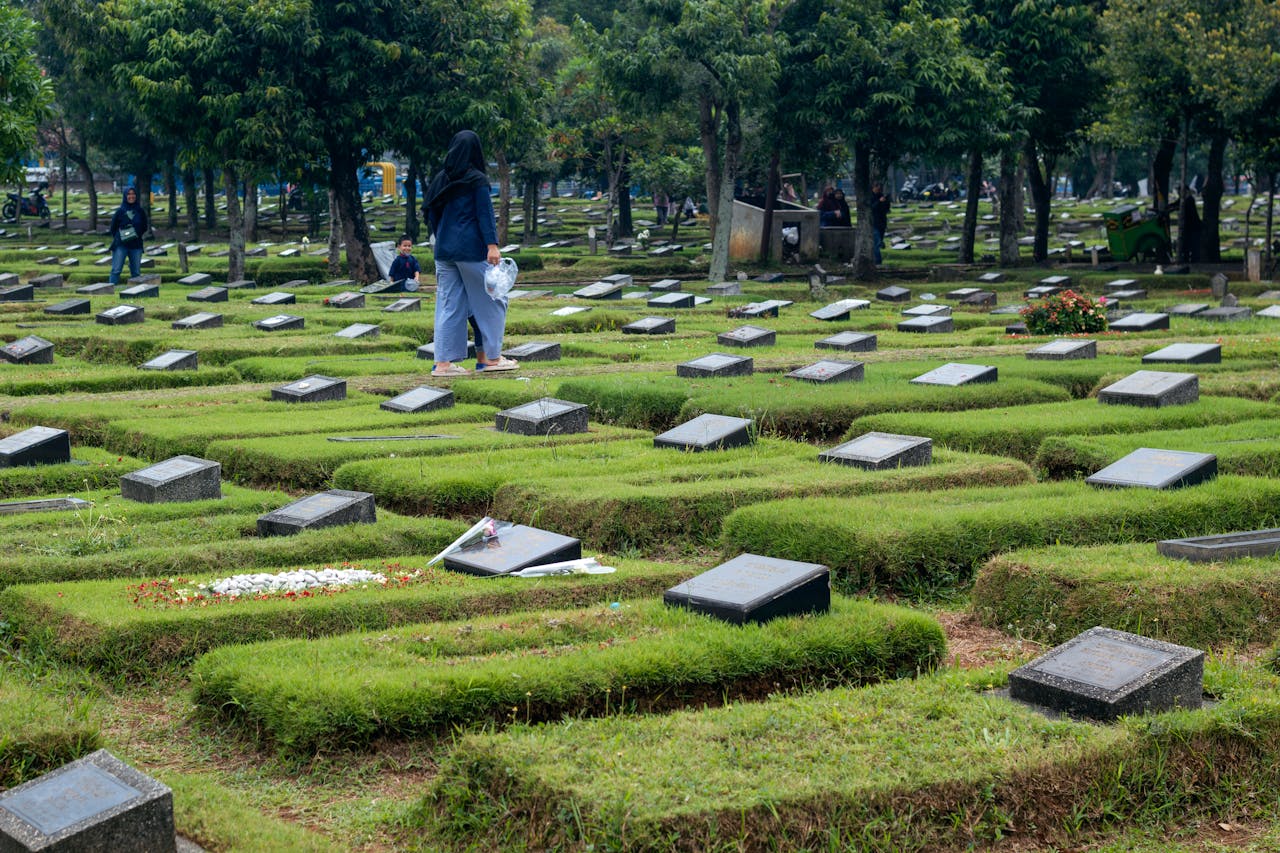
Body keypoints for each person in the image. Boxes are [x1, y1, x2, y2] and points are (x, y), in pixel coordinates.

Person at [423, 129, 516, 377]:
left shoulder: (441, 179)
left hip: (444, 251)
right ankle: (492, 359)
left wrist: (442, 234)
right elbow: (484, 214)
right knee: (493, 300)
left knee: (448, 305)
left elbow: (430, 212)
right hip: (470, 249)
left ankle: (442, 364)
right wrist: (492, 245)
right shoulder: (476, 179)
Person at [109, 185, 148, 284]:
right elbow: (113, 228)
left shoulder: (140, 211)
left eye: (133, 194)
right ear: (125, 196)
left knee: (136, 272)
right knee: (116, 270)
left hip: (136, 245)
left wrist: (134, 234)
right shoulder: (120, 211)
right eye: (129, 194)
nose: (131, 196)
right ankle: (111, 291)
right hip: (121, 245)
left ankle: (136, 292)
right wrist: (123, 236)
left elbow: (144, 226)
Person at [869, 183, 890, 265]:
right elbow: (872, 208)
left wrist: (886, 201)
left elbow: (887, 209)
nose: (878, 188)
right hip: (874, 222)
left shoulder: (881, 196)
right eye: (876, 186)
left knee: (879, 241)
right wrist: (879, 201)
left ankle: (876, 260)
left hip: (882, 222)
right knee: (876, 242)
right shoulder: (870, 197)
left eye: (879, 187)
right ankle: (878, 262)